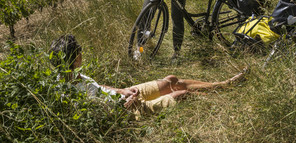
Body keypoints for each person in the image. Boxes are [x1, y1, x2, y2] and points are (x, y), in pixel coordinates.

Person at [49, 34, 247, 117]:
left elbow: (100, 88)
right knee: (182, 94)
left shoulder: (74, 75)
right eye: (79, 52)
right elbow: (95, 116)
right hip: (128, 111)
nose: (82, 54)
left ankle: (223, 84)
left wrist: (123, 90)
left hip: (127, 96)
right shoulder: (66, 93)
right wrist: (124, 104)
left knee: (171, 80)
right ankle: (223, 101)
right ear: (74, 59)